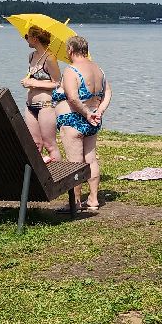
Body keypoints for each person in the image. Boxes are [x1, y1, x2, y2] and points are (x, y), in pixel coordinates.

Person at [52, 34, 110, 213]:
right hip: (92, 120)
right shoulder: (98, 69)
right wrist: (98, 112)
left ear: (70, 50)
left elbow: (72, 97)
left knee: (74, 162)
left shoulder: (71, 70)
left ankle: (75, 201)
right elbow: (107, 93)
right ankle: (93, 199)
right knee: (91, 159)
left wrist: (86, 113)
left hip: (73, 120)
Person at [19, 25, 61, 160]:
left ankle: (58, 177)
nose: (26, 40)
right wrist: (28, 81)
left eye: (27, 37)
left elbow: (57, 83)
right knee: (35, 144)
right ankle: (38, 178)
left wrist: (34, 83)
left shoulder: (50, 58)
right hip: (30, 105)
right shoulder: (31, 56)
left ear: (35, 38)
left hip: (46, 105)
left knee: (49, 144)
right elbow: (32, 78)